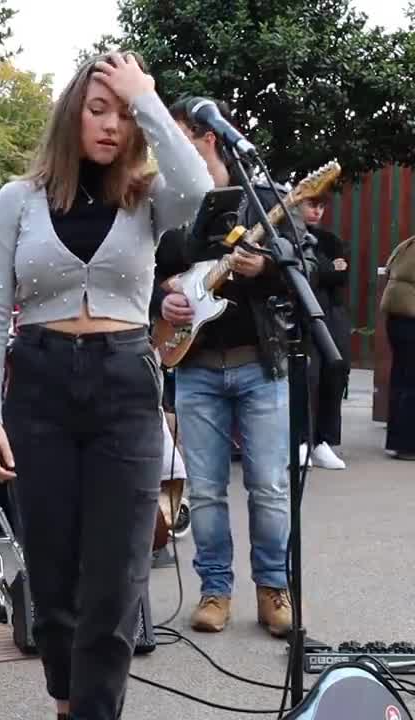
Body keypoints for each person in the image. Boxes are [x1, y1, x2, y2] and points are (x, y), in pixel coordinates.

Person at [0, 52, 211, 720]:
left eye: (123, 114)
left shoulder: (147, 198)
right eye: (98, 109)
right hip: (40, 386)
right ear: (71, 114)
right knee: (53, 581)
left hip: (125, 384)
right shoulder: (17, 201)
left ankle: (93, 712)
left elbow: (196, 188)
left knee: (115, 582)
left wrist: (149, 99)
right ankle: (64, 701)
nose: (111, 125)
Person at [152, 95, 314, 639]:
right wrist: (162, 301)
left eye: (184, 141)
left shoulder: (264, 197)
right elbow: (145, 276)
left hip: (258, 363)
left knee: (269, 485)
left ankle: (273, 588)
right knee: (205, 489)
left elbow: (307, 263)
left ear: (210, 140)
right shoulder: (170, 209)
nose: (173, 153)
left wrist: (266, 265)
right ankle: (215, 589)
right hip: (194, 363)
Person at [302, 195, 351, 469]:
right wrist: (327, 268)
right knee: (307, 375)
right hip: (301, 314)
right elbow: (318, 273)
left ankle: (324, 441)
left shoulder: (330, 240)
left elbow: (340, 274)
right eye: (311, 205)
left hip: (331, 313)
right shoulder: (288, 237)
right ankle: (300, 440)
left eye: (321, 206)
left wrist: (323, 270)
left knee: (335, 370)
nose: (316, 212)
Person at [381, 235, 415, 460]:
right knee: (410, 383)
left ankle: (400, 441)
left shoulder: (408, 244)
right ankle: (407, 444)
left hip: (399, 319)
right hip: (410, 319)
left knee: (402, 379)